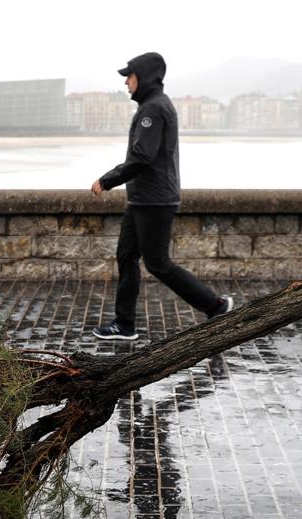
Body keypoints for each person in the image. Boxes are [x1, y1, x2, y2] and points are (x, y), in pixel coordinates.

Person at [90, 52, 232, 341]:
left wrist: (107, 180)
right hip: (144, 198)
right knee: (126, 256)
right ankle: (124, 324)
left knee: (158, 263)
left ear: (143, 77)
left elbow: (142, 157)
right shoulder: (152, 106)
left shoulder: (153, 109)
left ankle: (215, 306)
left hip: (154, 200)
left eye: (129, 77)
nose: (126, 83)